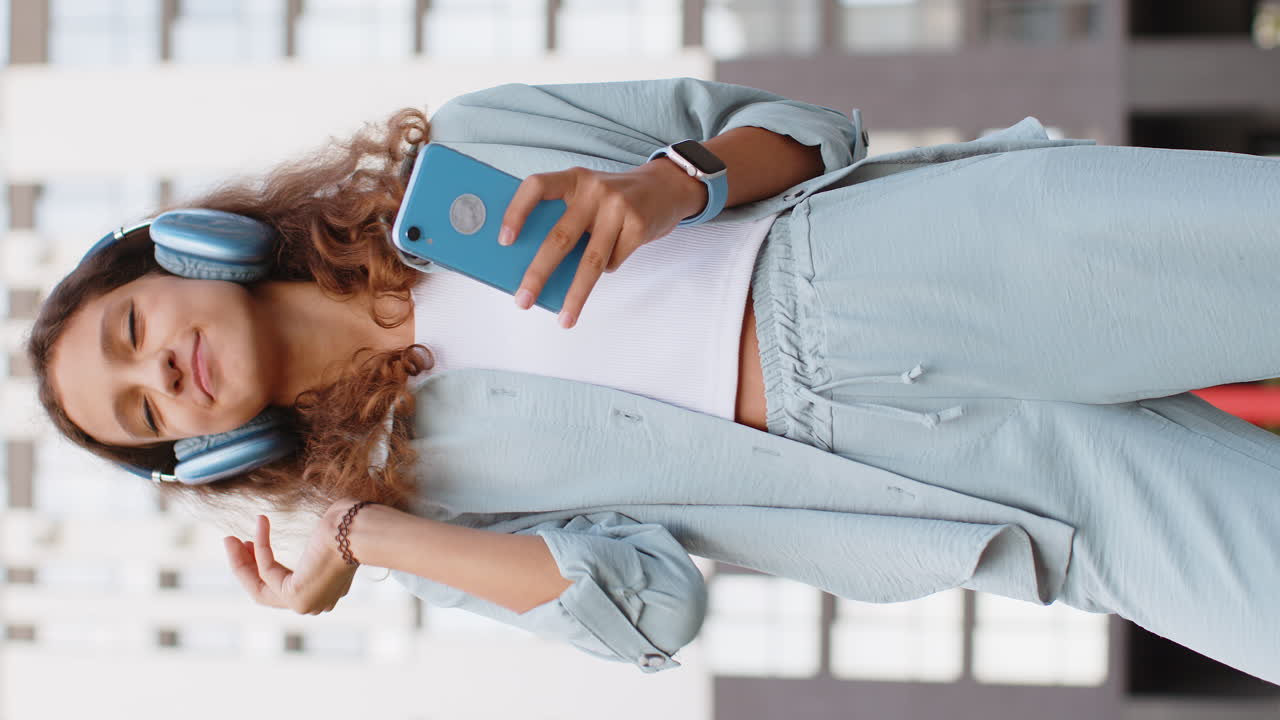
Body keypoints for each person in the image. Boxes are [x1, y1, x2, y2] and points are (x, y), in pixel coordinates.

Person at [25, 76, 1280, 682]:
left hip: (940, 267)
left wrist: (669, 180)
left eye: (132, 331)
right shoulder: (413, 497)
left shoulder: (469, 150)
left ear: (186, 253)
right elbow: (645, 605)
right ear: (203, 458)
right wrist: (363, 532)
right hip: (939, 488)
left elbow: (809, 129)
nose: (164, 376)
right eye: (146, 416)